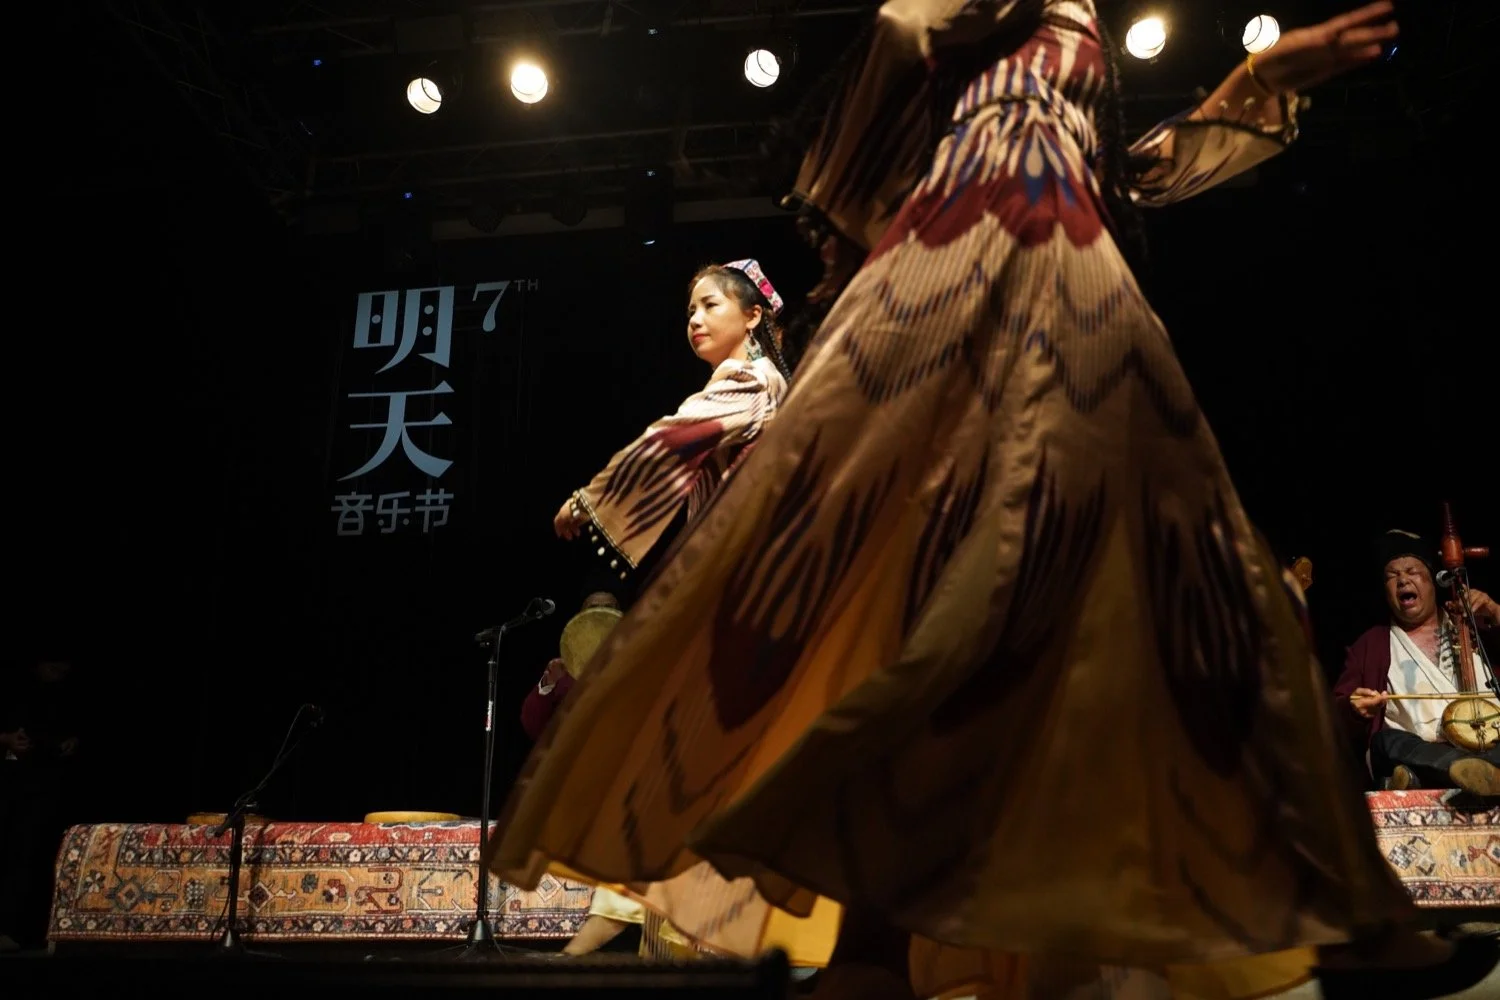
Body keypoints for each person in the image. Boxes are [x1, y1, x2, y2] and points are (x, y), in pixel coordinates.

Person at [491, 3, 1491, 997]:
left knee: (1166, 583)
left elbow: (1118, 172)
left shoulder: (1072, 22)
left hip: (1079, 291)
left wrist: (1259, 85)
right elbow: (892, 57)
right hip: (973, 284)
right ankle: (886, 942)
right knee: (979, 606)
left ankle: (1307, 902)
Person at [541, 260, 794, 958]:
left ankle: (635, 926)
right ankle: (635, 921)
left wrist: (592, 499)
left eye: (710, 305)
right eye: (689, 309)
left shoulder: (751, 382)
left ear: (753, 317)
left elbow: (671, 438)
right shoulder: (755, 385)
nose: (695, 319)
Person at [1334, 529, 1500, 794]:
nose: (1402, 581)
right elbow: (1334, 716)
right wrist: (1353, 709)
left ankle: (1441, 776)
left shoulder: (1474, 624)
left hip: (1491, 744)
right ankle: (1468, 771)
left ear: (1433, 582)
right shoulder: (1370, 645)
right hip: (1421, 753)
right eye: (1392, 576)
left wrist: (1495, 611)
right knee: (1385, 743)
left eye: (1412, 571)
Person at [1, 655, 84, 951]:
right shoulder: (12, 686)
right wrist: (5, 738)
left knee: (35, 853)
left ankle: (27, 930)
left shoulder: (65, 694)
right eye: (53, 664)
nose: (59, 671)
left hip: (45, 783)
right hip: (11, 780)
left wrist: (72, 740)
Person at [519, 592, 619, 743]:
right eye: (593, 608)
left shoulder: (636, 657)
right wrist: (549, 683)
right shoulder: (563, 670)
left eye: (608, 607)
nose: (600, 613)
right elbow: (533, 726)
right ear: (581, 621)